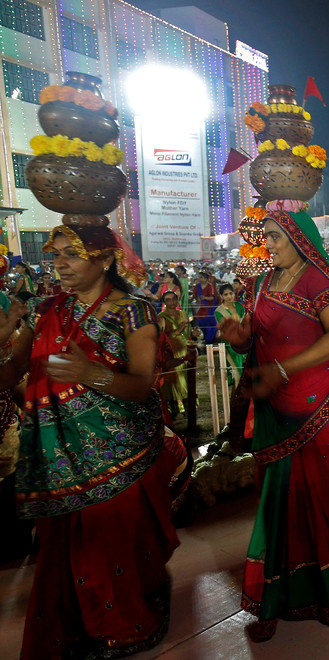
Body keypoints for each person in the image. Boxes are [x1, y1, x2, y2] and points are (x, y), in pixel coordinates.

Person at [0, 216, 179, 658]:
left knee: (109, 546)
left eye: (70, 254)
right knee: (63, 552)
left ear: (104, 258)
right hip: (56, 458)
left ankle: (124, 624)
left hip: (118, 451)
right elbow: (10, 373)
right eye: (55, 254)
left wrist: (90, 373)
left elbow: (141, 383)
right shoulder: (49, 309)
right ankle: (76, 627)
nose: (57, 263)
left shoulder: (133, 310)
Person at [217, 208, 329, 641]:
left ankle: (324, 592)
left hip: (314, 407)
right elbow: (255, 334)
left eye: (276, 237)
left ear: (299, 240)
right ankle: (272, 597)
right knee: (276, 502)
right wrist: (240, 338)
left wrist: (284, 370)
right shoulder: (262, 282)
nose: (270, 244)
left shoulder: (318, 281)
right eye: (266, 237)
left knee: (314, 495)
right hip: (273, 408)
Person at [159, 290, 192, 417]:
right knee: (174, 381)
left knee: (187, 379)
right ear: (164, 302)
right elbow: (161, 338)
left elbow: (187, 334)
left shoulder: (183, 313)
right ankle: (174, 410)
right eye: (168, 300)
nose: (172, 302)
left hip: (185, 350)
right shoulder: (161, 317)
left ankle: (189, 408)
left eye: (174, 299)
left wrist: (193, 333)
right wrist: (178, 331)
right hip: (172, 353)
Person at [214, 283, 246, 383]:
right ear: (221, 296)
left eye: (231, 293)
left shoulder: (239, 306)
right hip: (230, 343)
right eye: (225, 294)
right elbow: (225, 328)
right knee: (236, 369)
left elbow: (245, 321)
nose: (229, 297)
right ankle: (237, 390)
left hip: (244, 340)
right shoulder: (219, 311)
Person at [194, 270, 218, 343]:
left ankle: (209, 340)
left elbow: (212, 297)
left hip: (209, 308)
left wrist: (204, 298)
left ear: (205, 278)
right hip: (202, 307)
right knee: (201, 322)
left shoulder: (210, 286)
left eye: (201, 277)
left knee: (210, 325)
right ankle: (206, 337)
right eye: (199, 277)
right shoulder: (197, 286)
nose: (199, 279)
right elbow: (195, 295)